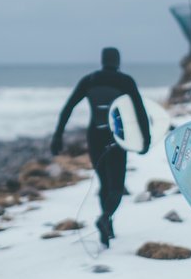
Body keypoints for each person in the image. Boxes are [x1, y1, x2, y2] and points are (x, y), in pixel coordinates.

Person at [51, 47, 150, 247]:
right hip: (117, 138)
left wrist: (58, 135)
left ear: (103, 60)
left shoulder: (89, 80)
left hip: (94, 137)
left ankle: (108, 224)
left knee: (104, 183)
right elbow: (140, 112)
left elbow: (68, 107)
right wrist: (145, 140)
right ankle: (105, 218)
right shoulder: (125, 81)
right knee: (116, 186)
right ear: (118, 61)